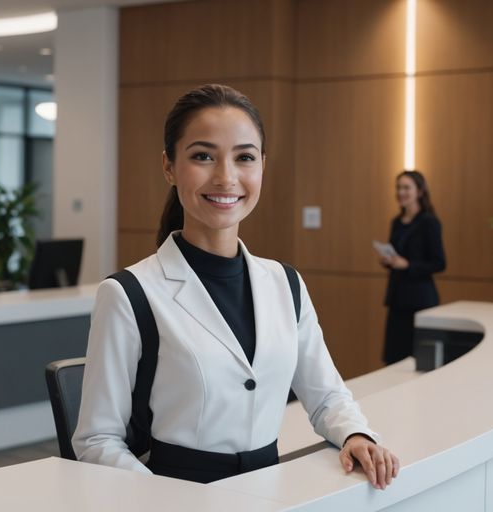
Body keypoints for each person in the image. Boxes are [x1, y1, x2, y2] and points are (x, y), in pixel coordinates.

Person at [73, 84, 399, 489]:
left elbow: (327, 396)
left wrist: (356, 434)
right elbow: (97, 440)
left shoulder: (285, 283)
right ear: (169, 166)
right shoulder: (129, 293)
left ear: (262, 166)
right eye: (203, 156)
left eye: (244, 157)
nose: (226, 177)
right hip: (176, 495)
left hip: (270, 489)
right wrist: (166, 502)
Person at [380, 170, 446, 365]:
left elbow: (440, 262)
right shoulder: (396, 222)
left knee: (418, 359)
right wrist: (389, 260)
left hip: (420, 300)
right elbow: (397, 255)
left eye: (406, 188)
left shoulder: (429, 222)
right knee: (394, 358)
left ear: (420, 191)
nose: (401, 192)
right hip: (397, 298)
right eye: (398, 188)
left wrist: (408, 265)